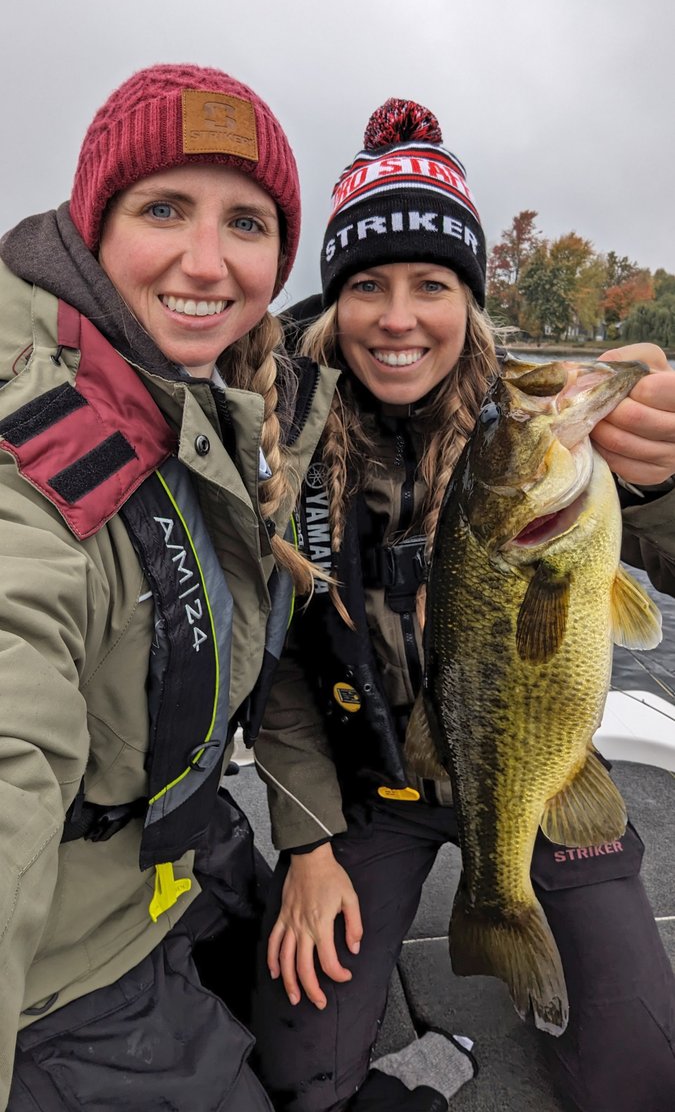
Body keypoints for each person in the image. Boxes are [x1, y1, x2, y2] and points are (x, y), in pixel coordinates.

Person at [251, 98, 675, 1112]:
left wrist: (659, 482)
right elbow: (269, 668)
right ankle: (462, 971)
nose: (399, 318)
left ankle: (557, 978)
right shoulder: (278, 444)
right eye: (367, 287)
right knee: (300, 1075)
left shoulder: (538, 423)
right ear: (334, 302)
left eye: (432, 284)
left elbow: (651, 530)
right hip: (376, 792)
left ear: (469, 299)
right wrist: (305, 842)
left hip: (539, 762)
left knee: (646, 1078)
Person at [0, 62, 338, 1112]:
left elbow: (251, 651)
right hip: (68, 967)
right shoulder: (31, 447)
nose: (207, 260)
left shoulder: (217, 399)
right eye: (164, 208)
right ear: (90, 227)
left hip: (173, 860)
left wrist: (313, 834)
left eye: (246, 222)